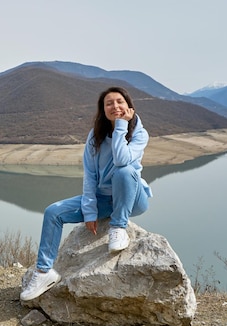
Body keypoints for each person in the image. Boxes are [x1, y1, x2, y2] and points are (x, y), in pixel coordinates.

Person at [20, 86, 153, 301]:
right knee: (53, 212)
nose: (115, 106)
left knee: (124, 171)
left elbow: (121, 160)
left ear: (129, 107)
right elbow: (90, 176)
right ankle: (44, 272)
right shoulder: (95, 137)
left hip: (133, 197)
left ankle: (118, 226)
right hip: (103, 199)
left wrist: (121, 125)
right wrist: (90, 211)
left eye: (119, 101)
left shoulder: (139, 133)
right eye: (108, 103)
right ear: (102, 110)